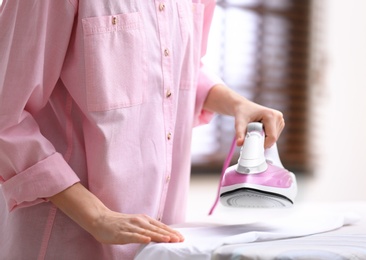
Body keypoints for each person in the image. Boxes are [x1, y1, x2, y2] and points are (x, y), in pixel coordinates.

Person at [0, 0, 285, 259]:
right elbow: (5, 116)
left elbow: (173, 69)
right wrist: (97, 216)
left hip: (158, 243)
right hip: (65, 241)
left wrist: (236, 104)